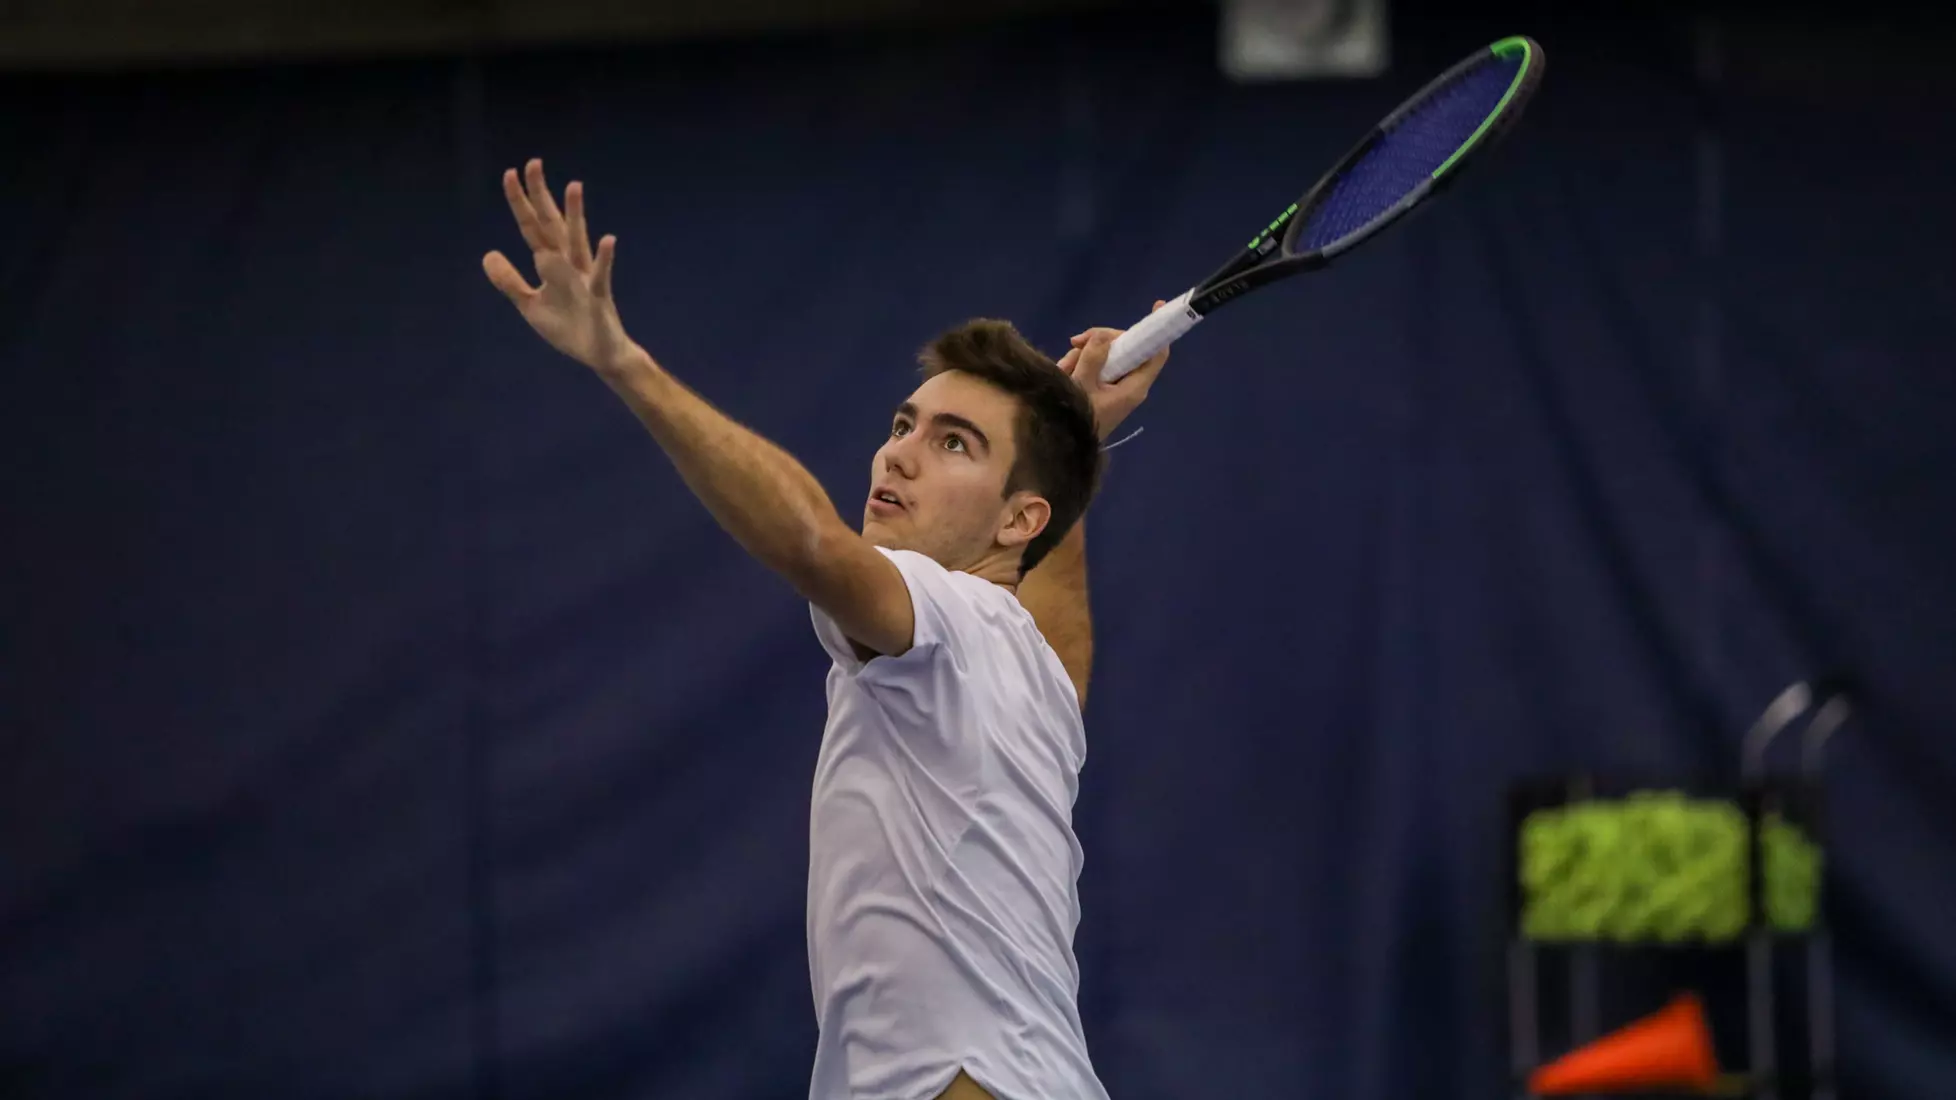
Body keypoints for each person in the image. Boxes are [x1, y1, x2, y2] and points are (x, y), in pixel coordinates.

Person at [485, 160, 1172, 1100]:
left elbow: (810, 539)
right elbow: (1064, 642)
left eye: (953, 443)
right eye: (906, 423)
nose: (899, 451)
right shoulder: (1032, 673)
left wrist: (621, 360)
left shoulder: (935, 605)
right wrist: (1076, 430)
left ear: (1019, 518)